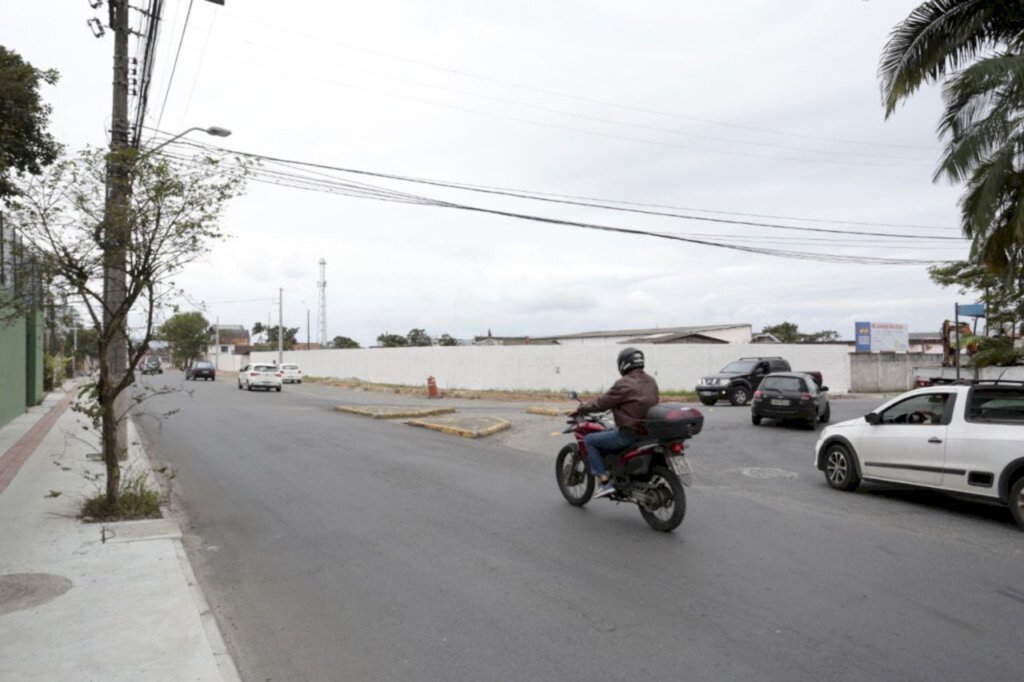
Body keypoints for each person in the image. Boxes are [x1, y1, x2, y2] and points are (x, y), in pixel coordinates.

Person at [573, 347, 660, 498]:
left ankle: (604, 481)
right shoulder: (651, 381)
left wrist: (582, 409)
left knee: (590, 440)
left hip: (630, 434)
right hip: (650, 433)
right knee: (609, 433)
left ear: (623, 364)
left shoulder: (623, 383)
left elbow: (601, 403)